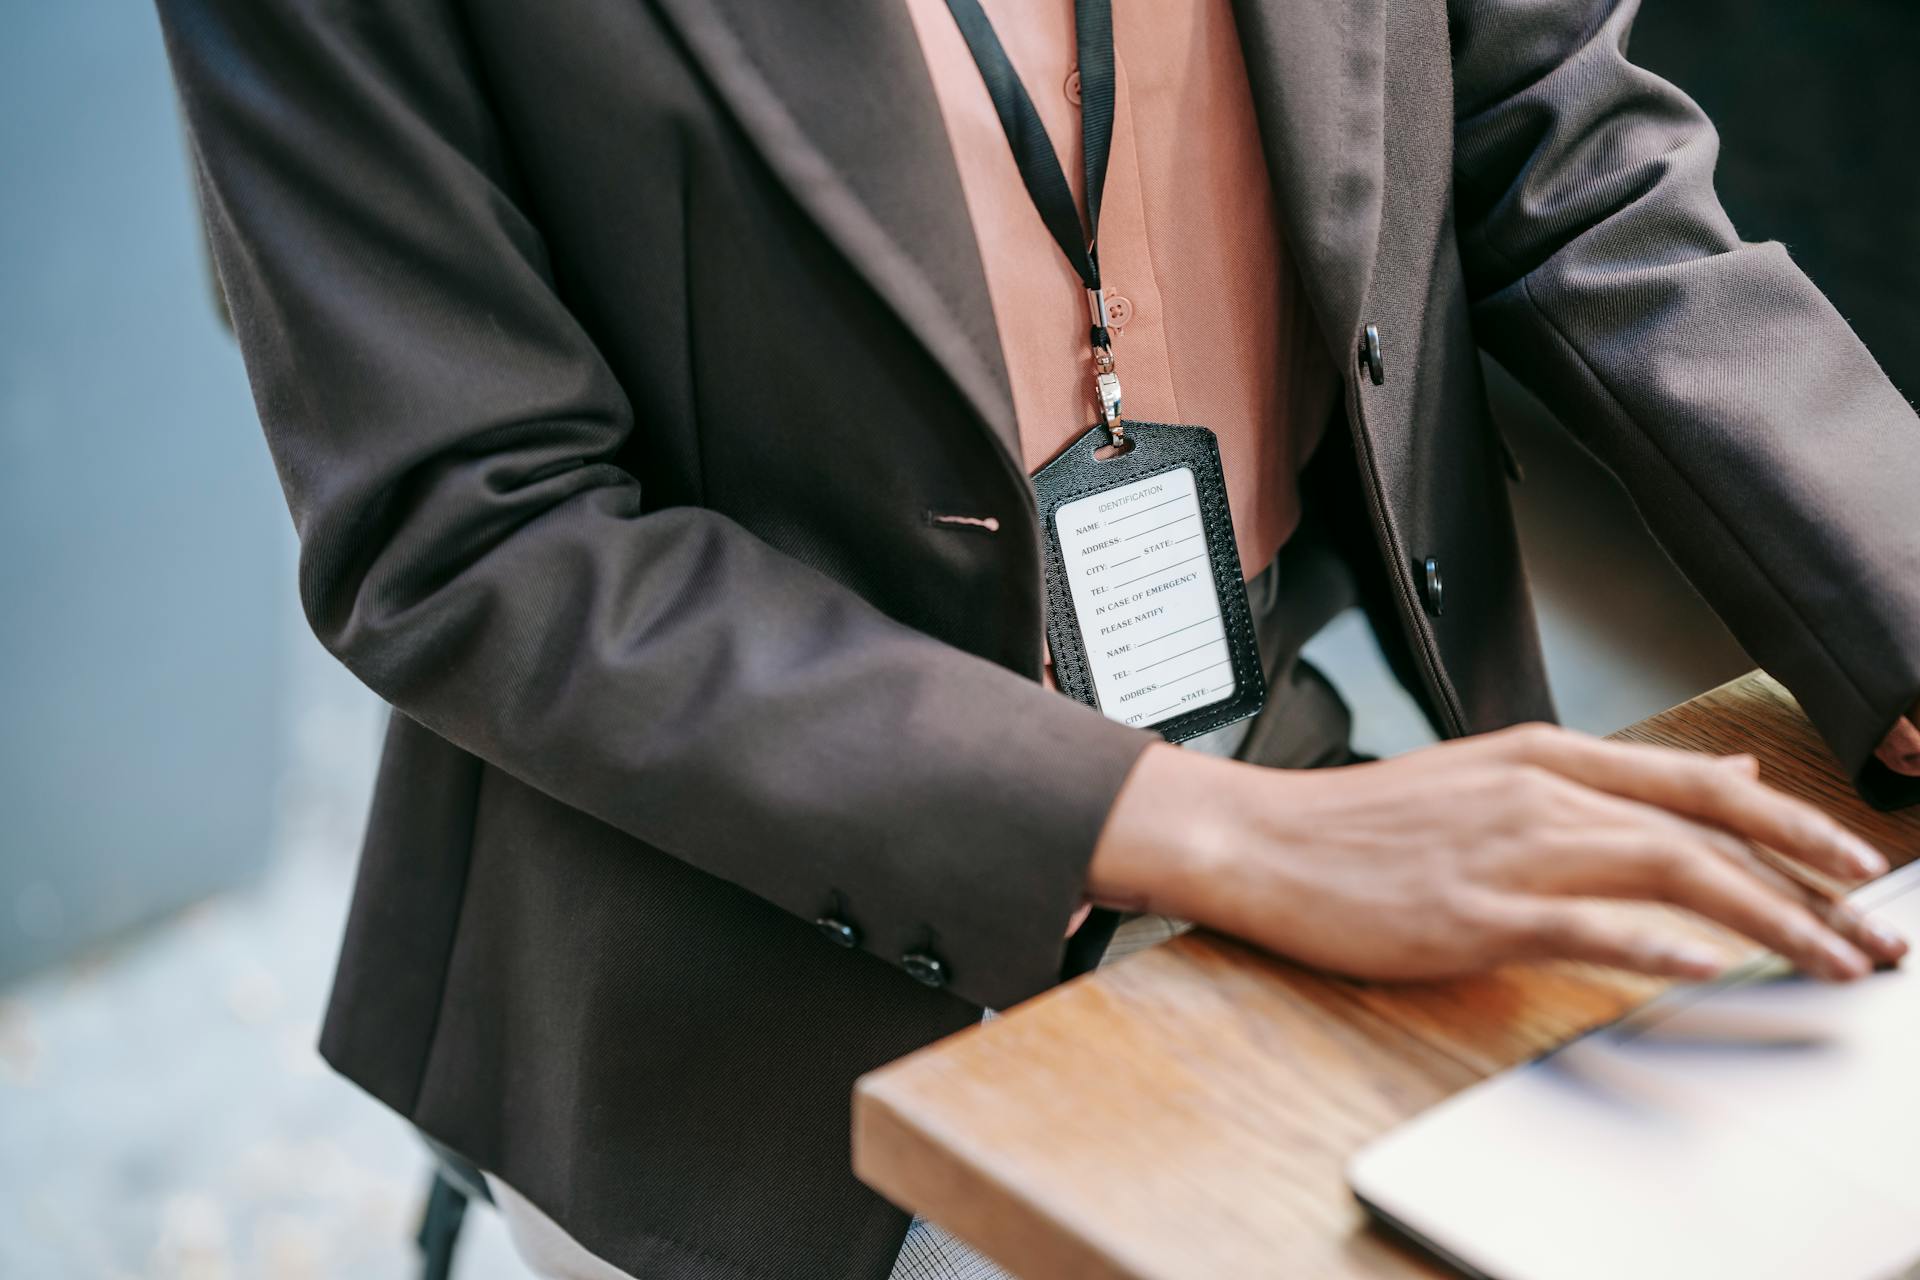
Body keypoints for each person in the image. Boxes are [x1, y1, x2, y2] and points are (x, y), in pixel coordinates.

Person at [155, 0, 1920, 1276]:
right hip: (719, 958)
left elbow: (1569, 145)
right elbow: (479, 535)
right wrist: (1234, 838)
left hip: (1276, 749)